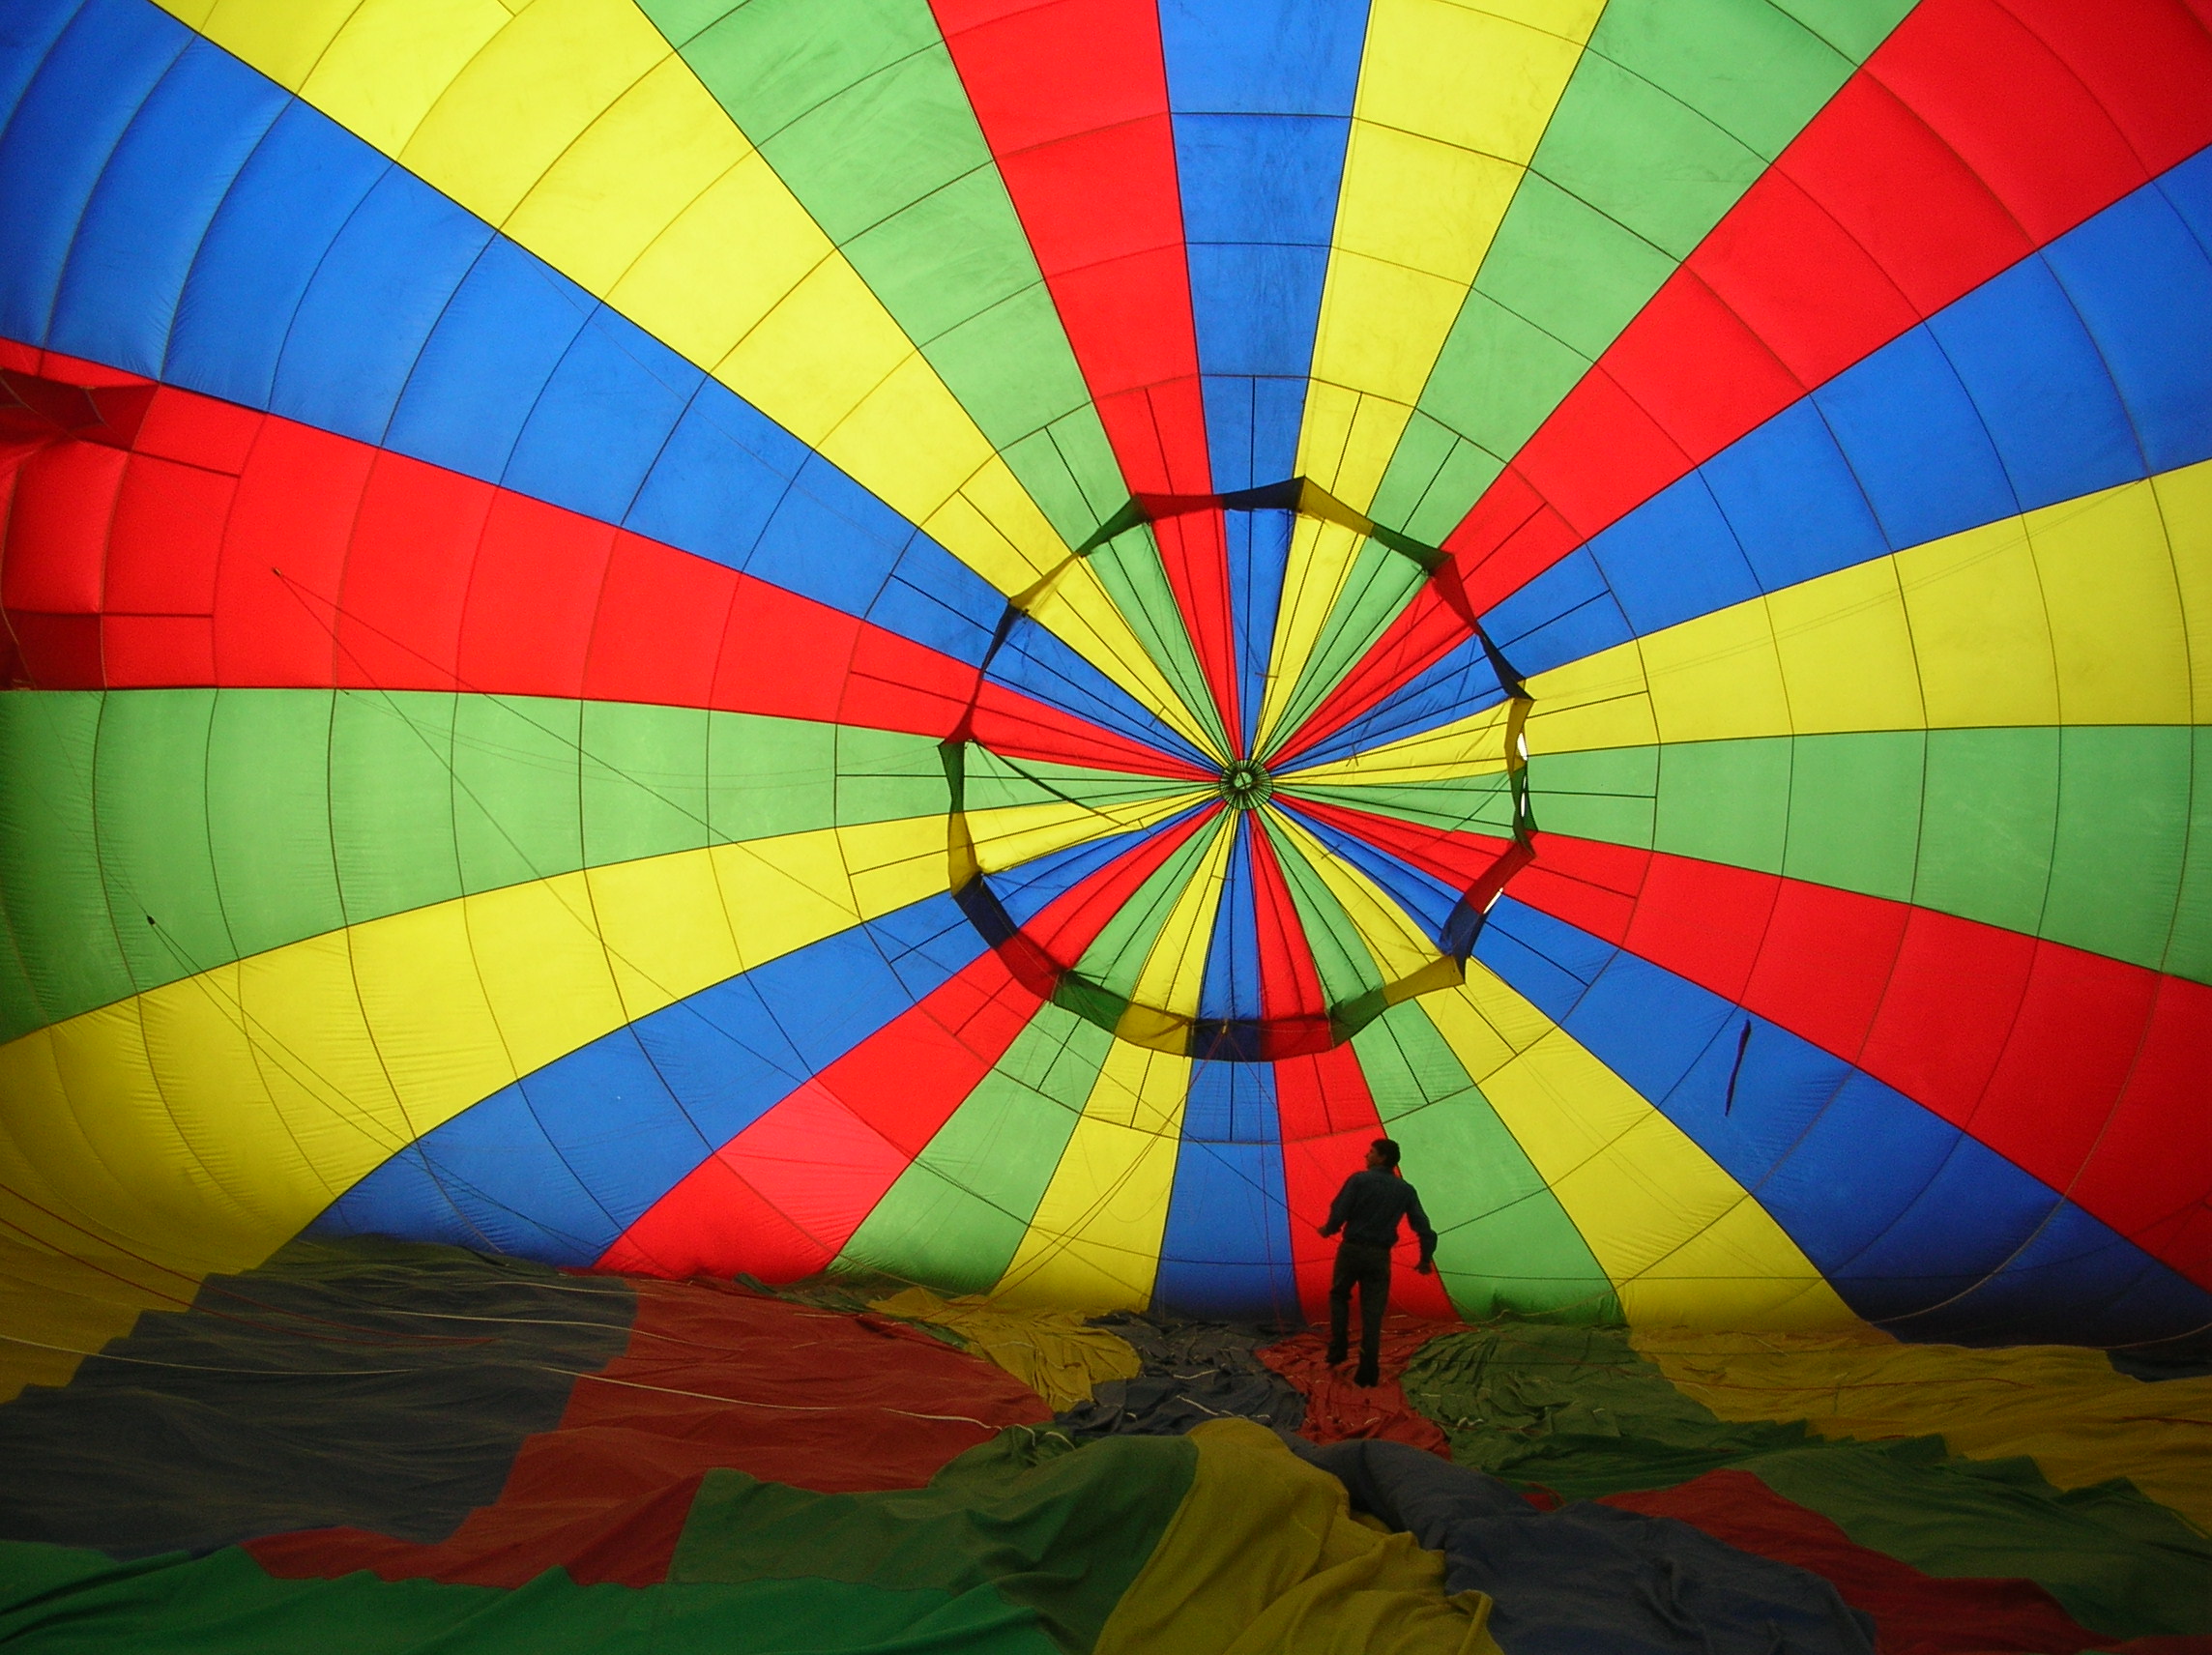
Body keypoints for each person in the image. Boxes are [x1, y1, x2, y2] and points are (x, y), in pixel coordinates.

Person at [1318, 1138, 1437, 1387]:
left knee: (1339, 1295)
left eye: (1371, 1152)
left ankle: (1338, 1349)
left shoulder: (1359, 1180)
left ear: (1382, 1157)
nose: (1366, 1155)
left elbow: (1340, 1210)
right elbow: (1424, 1228)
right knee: (1373, 1313)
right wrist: (1425, 1259)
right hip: (1379, 1256)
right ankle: (1368, 1370)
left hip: (1351, 1250)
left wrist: (1329, 1229)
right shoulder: (1405, 1190)